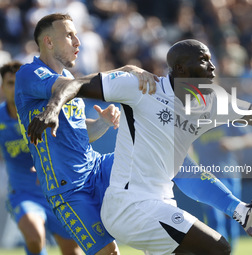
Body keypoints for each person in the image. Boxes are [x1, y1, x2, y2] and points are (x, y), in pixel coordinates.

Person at [26, 38, 252, 255]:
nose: (212, 66)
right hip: (129, 206)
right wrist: (52, 109)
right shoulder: (142, 88)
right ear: (179, 67)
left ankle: (243, 212)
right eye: (203, 60)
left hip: (163, 203)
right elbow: (75, 84)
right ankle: (243, 212)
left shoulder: (211, 100)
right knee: (219, 248)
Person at [14, 13, 157, 255]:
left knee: (152, 158)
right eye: (69, 36)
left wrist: (101, 123)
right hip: (68, 189)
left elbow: (81, 132)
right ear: (48, 42)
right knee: (109, 253)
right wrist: (124, 70)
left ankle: (233, 210)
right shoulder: (29, 74)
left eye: (76, 35)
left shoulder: (70, 77)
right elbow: (63, 88)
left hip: (96, 168)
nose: (77, 42)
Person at [0, 61, 82, 255]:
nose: (14, 88)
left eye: (17, 83)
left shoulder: (44, 111)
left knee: (73, 252)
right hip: (23, 194)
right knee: (35, 238)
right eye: (9, 83)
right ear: (2, 87)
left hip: (56, 192)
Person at [189, 124, 252, 252]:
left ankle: (230, 251)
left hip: (230, 175)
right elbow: (186, 142)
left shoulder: (228, 116)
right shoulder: (195, 119)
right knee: (214, 219)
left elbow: (251, 139)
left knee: (232, 219)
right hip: (206, 177)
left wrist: (234, 142)